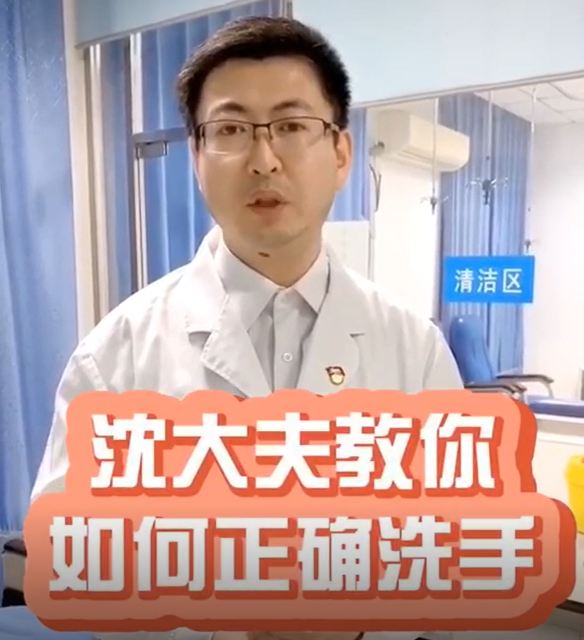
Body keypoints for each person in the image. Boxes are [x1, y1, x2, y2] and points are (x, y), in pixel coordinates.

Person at [31, 13, 463, 640]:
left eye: (292, 126)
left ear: (341, 153)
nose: (264, 159)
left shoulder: (412, 348)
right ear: (197, 157)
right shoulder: (116, 356)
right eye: (231, 129)